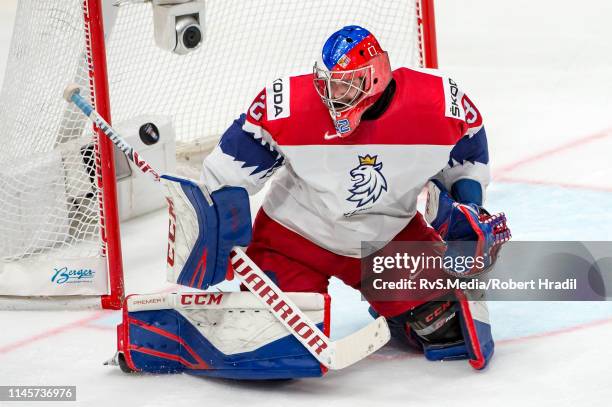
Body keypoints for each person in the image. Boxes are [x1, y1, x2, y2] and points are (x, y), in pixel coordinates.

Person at [199, 25, 511, 370]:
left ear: (375, 77)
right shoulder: (287, 104)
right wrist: (218, 233)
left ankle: (399, 308)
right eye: (329, 82)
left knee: (445, 327)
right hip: (294, 239)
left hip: (387, 239)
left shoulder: (439, 103)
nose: (333, 93)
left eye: (345, 83)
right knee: (274, 348)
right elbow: (226, 175)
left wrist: (468, 209)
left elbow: (465, 160)